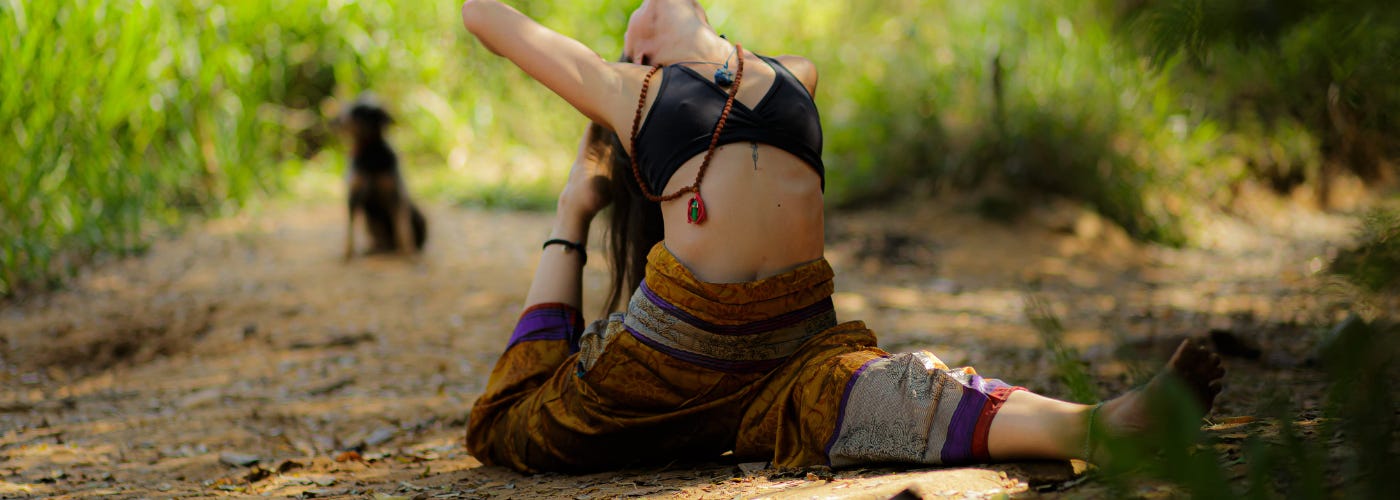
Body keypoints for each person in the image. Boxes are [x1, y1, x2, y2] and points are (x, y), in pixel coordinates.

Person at [459, 0, 1225, 473]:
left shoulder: (793, 73)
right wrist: (591, 169)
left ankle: (1102, 426)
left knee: (911, 390)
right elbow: (481, 16)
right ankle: (572, 213)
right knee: (506, 424)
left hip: (793, 352)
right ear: (636, 59)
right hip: (671, 357)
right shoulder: (632, 91)